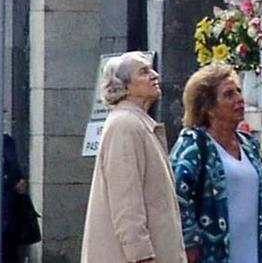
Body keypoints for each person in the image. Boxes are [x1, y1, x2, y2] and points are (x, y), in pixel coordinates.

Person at [80, 51, 186, 263]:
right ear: (124, 87)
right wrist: (141, 255)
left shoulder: (137, 123)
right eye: (144, 72)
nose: (155, 75)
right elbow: (126, 200)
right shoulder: (125, 125)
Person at [170, 61, 262, 263]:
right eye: (229, 94)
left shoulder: (249, 144)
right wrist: (189, 241)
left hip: (254, 253)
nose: (239, 99)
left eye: (238, 91)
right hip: (212, 254)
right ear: (209, 107)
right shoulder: (194, 144)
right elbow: (175, 195)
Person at [2, 132, 38, 263]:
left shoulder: (5, 142)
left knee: (8, 251)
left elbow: (16, 174)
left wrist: (17, 182)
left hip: (8, 214)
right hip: (7, 213)